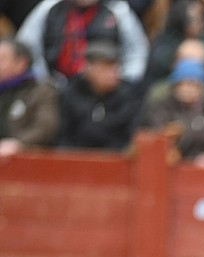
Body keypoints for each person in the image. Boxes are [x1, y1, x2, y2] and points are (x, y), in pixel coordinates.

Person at [16, 0, 148, 84]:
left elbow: (136, 50)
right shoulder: (49, 7)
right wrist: (44, 80)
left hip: (103, 86)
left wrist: (125, 80)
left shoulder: (118, 9)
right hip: (56, 83)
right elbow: (27, 45)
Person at [137, 58, 204, 164]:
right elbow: (154, 135)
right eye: (181, 84)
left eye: (192, 83)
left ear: (202, 87)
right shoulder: (163, 107)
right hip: (172, 164)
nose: (186, 89)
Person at [57, 38, 137, 149]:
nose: (114, 73)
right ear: (89, 68)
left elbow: (128, 135)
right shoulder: (72, 93)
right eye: (107, 67)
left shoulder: (128, 95)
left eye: (116, 66)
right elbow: (64, 135)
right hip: (76, 157)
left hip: (114, 160)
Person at [0, 36, 59, 155]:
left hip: (28, 160)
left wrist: (19, 143)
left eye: (2, 59)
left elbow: (45, 127)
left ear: (21, 63)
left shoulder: (41, 91)